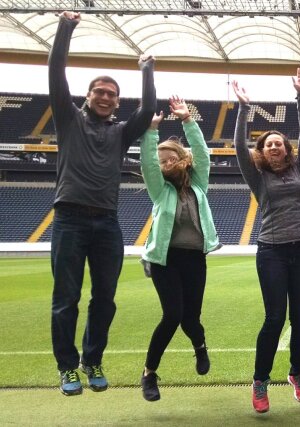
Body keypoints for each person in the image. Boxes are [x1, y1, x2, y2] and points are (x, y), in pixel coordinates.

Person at [48, 10, 156, 396]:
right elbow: (56, 71)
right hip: (69, 220)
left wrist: (146, 68)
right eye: (100, 92)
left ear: (116, 101)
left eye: (112, 94)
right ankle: (67, 367)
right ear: (88, 96)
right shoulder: (67, 119)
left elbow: (147, 109)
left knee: (105, 299)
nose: (107, 97)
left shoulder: (122, 132)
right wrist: (66, 27)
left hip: (107, 223)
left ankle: (92, 359)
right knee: (66, 299)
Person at [232, 69, 300, 414]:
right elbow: (238, 146)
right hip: (271, 252)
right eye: (268, 143)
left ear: (286, 148)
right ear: (263, 152)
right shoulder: (258, 177)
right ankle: (260, 381)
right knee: (274, 318)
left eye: (279, 141)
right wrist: (242, 108)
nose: (275, 145)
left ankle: (297, 374)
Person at [139, 96, 221, 401]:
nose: (164, 163)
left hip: (194, 258)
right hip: (165, 259)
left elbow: (203, 154)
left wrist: (188, 120)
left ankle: (199, 346)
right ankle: (149, 374)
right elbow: (147, 163)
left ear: (180, 157)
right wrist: (151, 133)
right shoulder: (160, 190)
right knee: (172, 314)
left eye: (169, 158)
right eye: (160, 161)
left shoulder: (198, 184)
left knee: (191, 319)